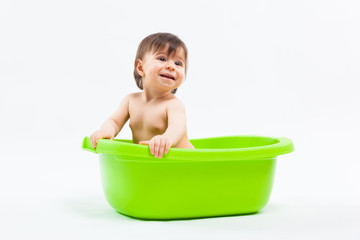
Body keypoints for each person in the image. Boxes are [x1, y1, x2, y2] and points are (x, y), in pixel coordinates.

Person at [90, 32, 194, 158]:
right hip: (152, 163)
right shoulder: (130, 101)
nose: (171, 66)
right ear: (140, 67)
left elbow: (177, 127)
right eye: (162, 59)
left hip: (185, 162)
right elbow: (114, 121)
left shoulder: (173, 104)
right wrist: (107, 131)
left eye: (178, 63)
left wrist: (165, 139)